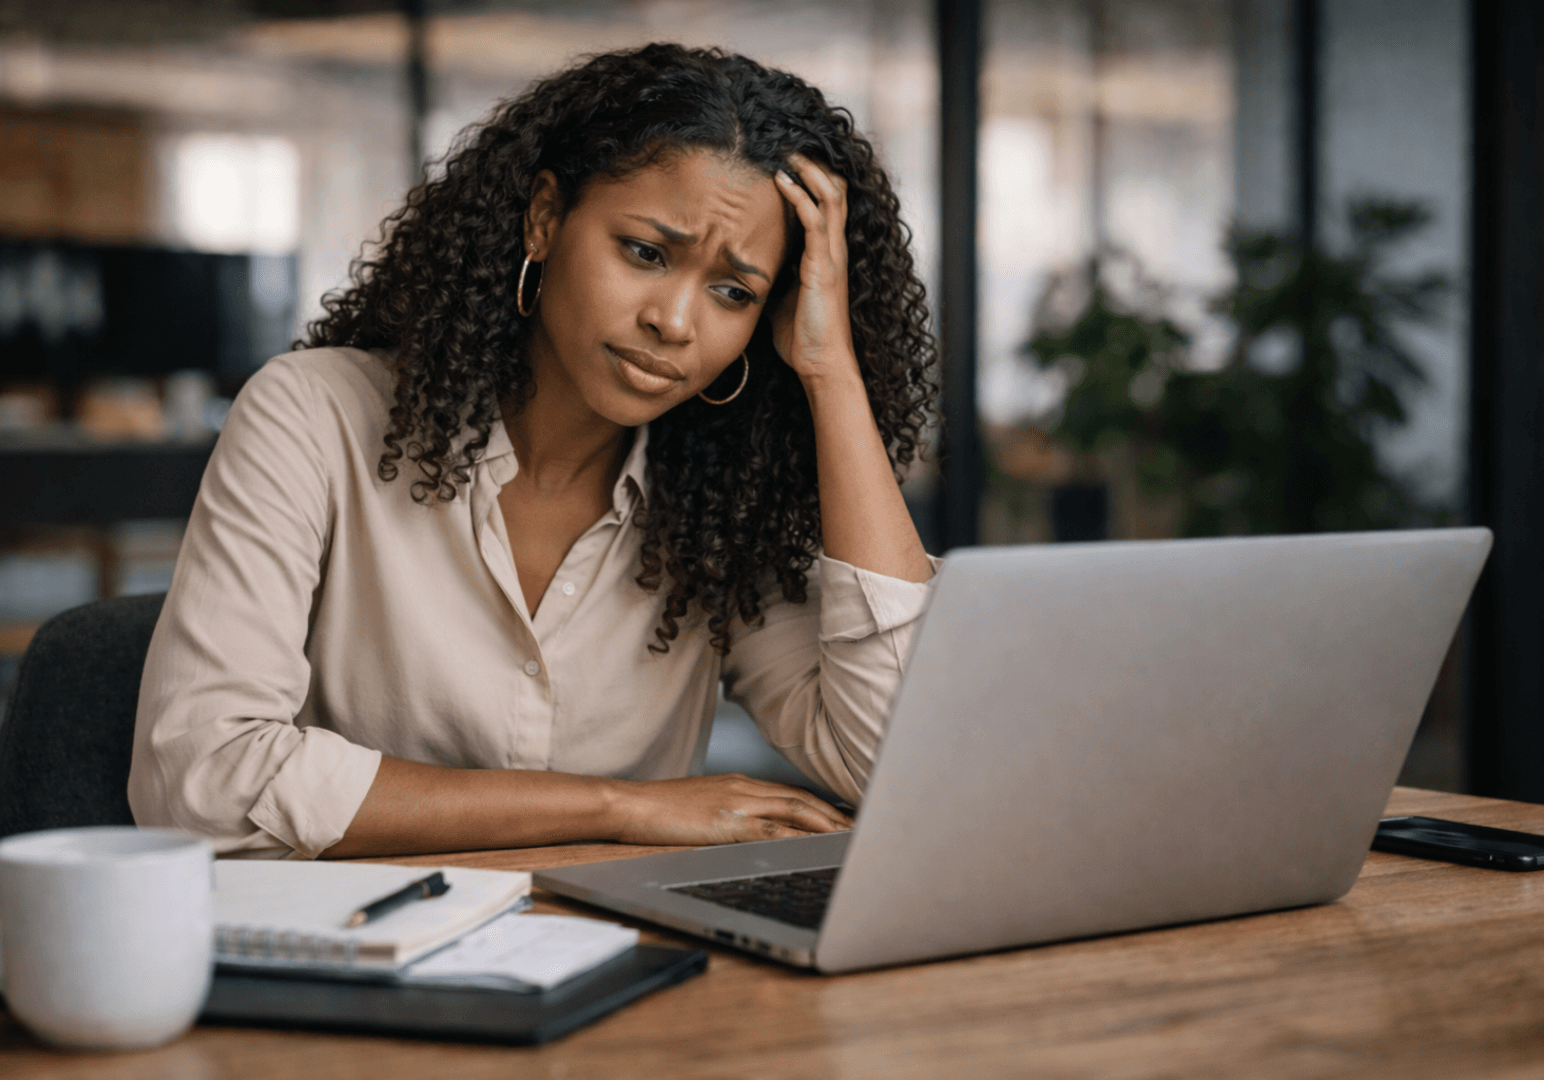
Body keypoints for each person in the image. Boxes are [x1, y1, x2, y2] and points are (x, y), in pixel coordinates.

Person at [129, 43, 939, 860]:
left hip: (634, 968)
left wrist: (830, 372)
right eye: (646, 253)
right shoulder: (315, 416)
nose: (677, 321)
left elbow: (894, 760)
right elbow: (201, 778)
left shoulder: (715, 506)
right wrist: (617, 807)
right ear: (544, 218)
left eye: (734, 292)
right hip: (356, 960)